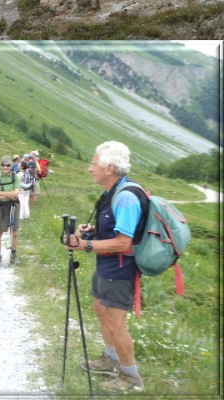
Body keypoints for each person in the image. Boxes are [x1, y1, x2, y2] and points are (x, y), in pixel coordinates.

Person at [62, 141, 146, 393]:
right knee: (100, 308)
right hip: (108, 266)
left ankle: (131, 376)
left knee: (115, 322)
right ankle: (110, 360)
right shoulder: (113, 193)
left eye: (93, 163)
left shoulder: (127, 197)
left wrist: (83, 246)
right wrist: (94, 232)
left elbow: (123, 242)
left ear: (109, 168)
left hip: (120, 269)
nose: (89, 169)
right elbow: (117, 230)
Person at [0, 156, 20, 267]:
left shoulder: (15, 177)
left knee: (15, 232)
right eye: (3, 165)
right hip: (0, 207)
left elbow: (16, 194)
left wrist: (0, 193)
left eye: (8, 165)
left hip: (13, 205)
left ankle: (13, 256)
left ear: (11, 166)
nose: (5, 167)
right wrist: (8, 195)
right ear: (0, 166)